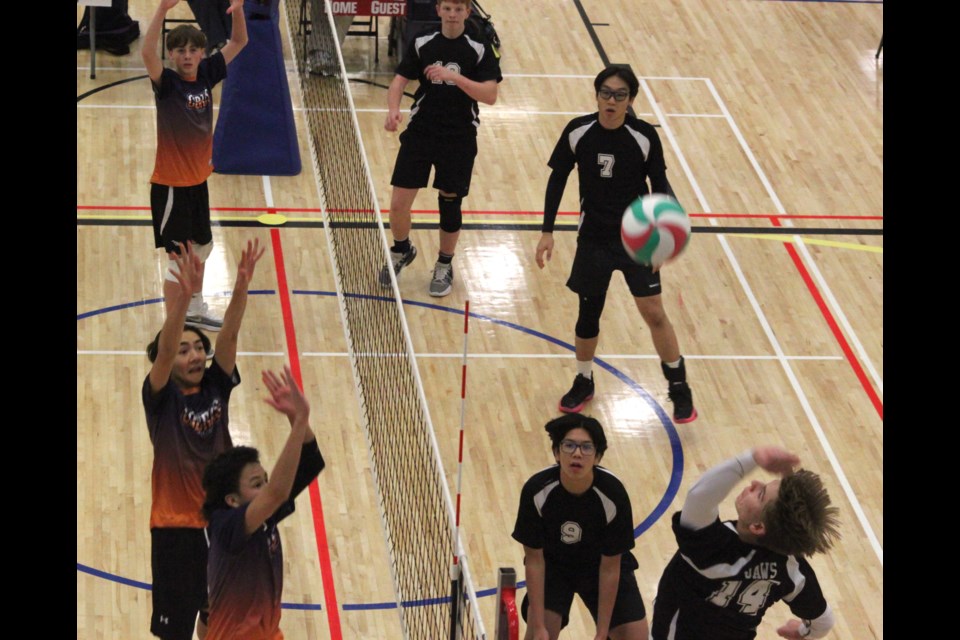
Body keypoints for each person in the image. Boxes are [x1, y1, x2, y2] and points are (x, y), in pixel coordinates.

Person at [535, 65, 696, 423]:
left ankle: (678, 386)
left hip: (636, 239)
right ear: (596, 95)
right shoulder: (578, 131)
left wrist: (662, 242)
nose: (611, 100)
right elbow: (557, 179)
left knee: (654, 312)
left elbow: (661, 186)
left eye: (620, 95)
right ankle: (583, 379)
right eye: (605, 93)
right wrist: (547, 230)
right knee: (588, 312)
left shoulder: (643, 137)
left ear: (631, 100)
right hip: (593, 237)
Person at [143, 238, 264, 640]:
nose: (195, 356)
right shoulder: (160, 399)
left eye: (198, 348)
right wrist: (184, 300)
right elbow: (162, 353)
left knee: (216, 614)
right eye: (184, 351)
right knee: (174, 632)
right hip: (175, 530)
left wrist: (242, 285)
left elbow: (228, 337)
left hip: (221, 523)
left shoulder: (215, 387)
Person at [650, 447, 841, 640]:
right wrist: (802, 633)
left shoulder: (712, 549)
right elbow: (823, 622)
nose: (755, 483)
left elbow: (700, 496)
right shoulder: (791, 570)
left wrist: (751, 459)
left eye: (760, 493)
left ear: (758, 526)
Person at [380, 0, 502, 297]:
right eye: (447, 8)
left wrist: (455, 77)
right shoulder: (423, 41)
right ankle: (401, 250)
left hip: (459, 135)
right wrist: (393, 110)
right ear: (438, 10)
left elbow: (490, 95)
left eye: (458, 9)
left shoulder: (478, 45)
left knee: (450, 202)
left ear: (466, 13)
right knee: (398, 204)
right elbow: (399, 81)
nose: (451, 14)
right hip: (422, 131)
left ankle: (444, 264)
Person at [142, 0, 249, 330]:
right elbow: (147, 55)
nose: (187, 55)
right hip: (172, 187)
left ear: (201, 53)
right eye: (180, 50)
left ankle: (195, 308)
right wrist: (161, 10)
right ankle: (173, 326)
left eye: (193, 50)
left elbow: (239, 42)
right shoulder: (168, 85)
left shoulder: (206, 74)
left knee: (202, 247)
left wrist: (238, 8)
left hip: (197, 183)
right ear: (172, 55)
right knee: (179, 261)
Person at [202, 365, 325, 639]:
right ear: (232, 500)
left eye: (266, 480)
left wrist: (296, 420)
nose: (267, 488)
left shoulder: (263, 514)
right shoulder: (226, 526)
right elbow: (278, 493)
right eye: (258, 484)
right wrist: (301, 419)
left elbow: (311, 461)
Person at [512, 414, 649, 640]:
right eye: (569, 446)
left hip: (600, 568)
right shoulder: (537, 490)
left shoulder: (613, 494)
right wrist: (538, 627)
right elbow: (534, 561)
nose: (577, 453)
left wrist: (601, 634)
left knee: (635, 637)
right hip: (554, 567)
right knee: (539, 635)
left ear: (597, 456)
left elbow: (610, 568)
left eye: (586, 447)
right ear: (556, 453)